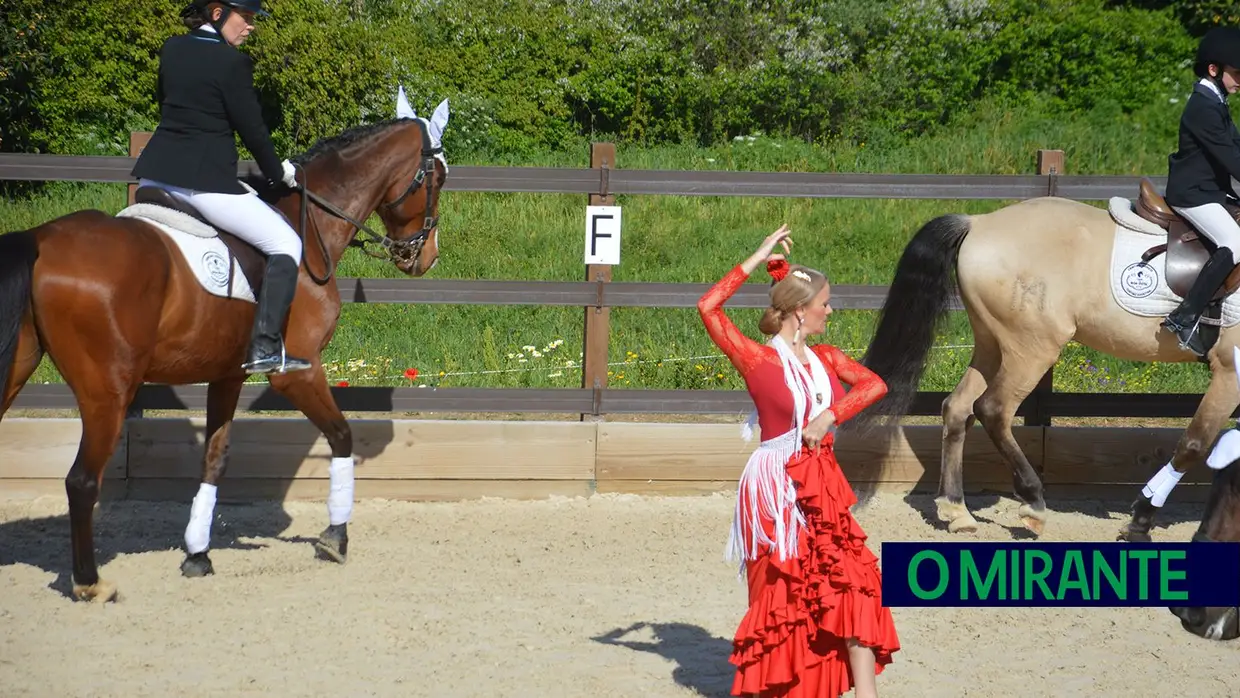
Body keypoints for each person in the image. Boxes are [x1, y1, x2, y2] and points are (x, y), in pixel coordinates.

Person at [698, 225, 900, 698]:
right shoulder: (756, 360)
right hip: (774, 486)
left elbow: (874, 385)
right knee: (783, 593)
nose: (830, 310)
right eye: (824, 302)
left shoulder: (827, 357)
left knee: (854, 580)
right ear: (797, 310)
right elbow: (708, 306)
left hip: (822, 481)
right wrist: (758, 255)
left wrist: (831, 413)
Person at [131, 0, 311, 375]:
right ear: (218, 13)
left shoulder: (172, 47)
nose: (251, 26)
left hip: (153, 177)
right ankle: (264, 347)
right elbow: (253, 130)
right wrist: (279, 173)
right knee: (286, 244)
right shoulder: (233, 63)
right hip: (202, 185)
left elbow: (164, 101)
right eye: (245, 18)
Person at [1161, 25, 1240, 357]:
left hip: (1211, 190)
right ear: (1214, 69)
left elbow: (1236, 144)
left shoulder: (1216, 100)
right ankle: (1184, 317)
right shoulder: (1203, 106)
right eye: (1237, 73)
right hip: (1193, 194)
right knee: (1235, 243)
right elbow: (1231, 157)